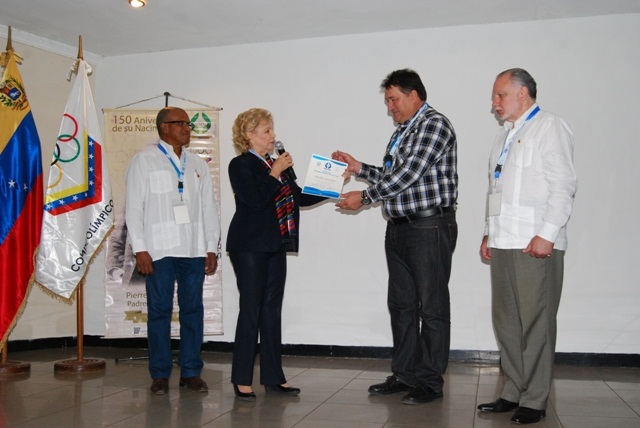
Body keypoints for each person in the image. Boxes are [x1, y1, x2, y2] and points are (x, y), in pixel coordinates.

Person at [333, 68, 458, 405]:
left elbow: (409, 175)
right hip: (400, 227)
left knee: (431, 307)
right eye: (388, 101)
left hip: (429, 227)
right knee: (402, 306)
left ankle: (429, 381)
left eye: (393, 99)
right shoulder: (403, 132)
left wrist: (365, 198)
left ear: (413, 95)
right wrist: (359, 168)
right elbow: (392, 176)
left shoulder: (434, 124)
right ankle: (405, 374)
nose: (390, 107)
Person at [477, 68, 577, 424]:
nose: (495, 102)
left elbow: (563, 185)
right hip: (504, 240)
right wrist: (489, 232)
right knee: (506, 321)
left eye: (500, 94)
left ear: (523, 93)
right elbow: (496, 189)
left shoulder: (549, 127)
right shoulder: (504, 134)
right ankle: (512, 390)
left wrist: (547, 233)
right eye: (494, 96)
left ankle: (534, 399)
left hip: (535, 242)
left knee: (537, 323)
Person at [227, 108, 325, 401]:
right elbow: (256, 200)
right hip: (249, 246)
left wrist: (332, 186)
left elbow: (298, 197)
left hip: (274, 244)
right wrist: (275, 172)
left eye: (272, 130)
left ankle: (273, 378)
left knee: (271, 310)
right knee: (251, 310)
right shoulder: (240, 165)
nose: (273, 136)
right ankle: (241, 379)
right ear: (249, 135)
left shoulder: (275, 165)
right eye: (267, 130)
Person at [125, 106, 221, 395]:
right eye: (182, 123)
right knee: (159, 311)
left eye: (189, 124)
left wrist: (211, 248)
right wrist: (140, 249)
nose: (188, 128)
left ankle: (190, 372)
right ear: (164, 127)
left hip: (193, 249)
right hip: (158, 249)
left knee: (193, 310)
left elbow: (208, 208)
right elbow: (134, 207)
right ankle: (159, 375)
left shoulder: (198, 164)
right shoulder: (144, 161)